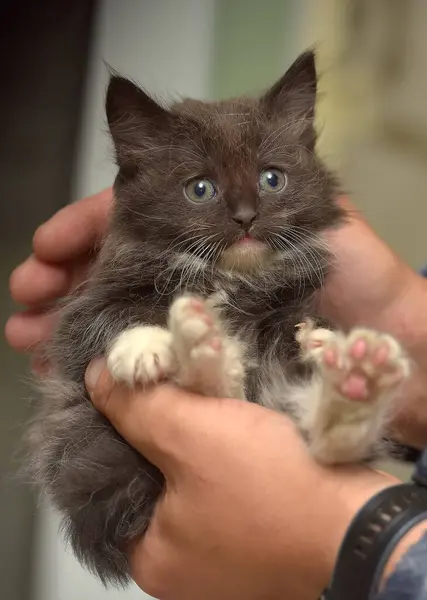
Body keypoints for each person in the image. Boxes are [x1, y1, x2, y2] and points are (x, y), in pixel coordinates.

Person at [6, 189, 427, 599]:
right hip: (148, 475)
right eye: (201, 189)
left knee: (292, 367)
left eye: (271, 180)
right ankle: (325, 416)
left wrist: (345, 531)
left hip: (248, 438)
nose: (244, 210)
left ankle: (322, 416)